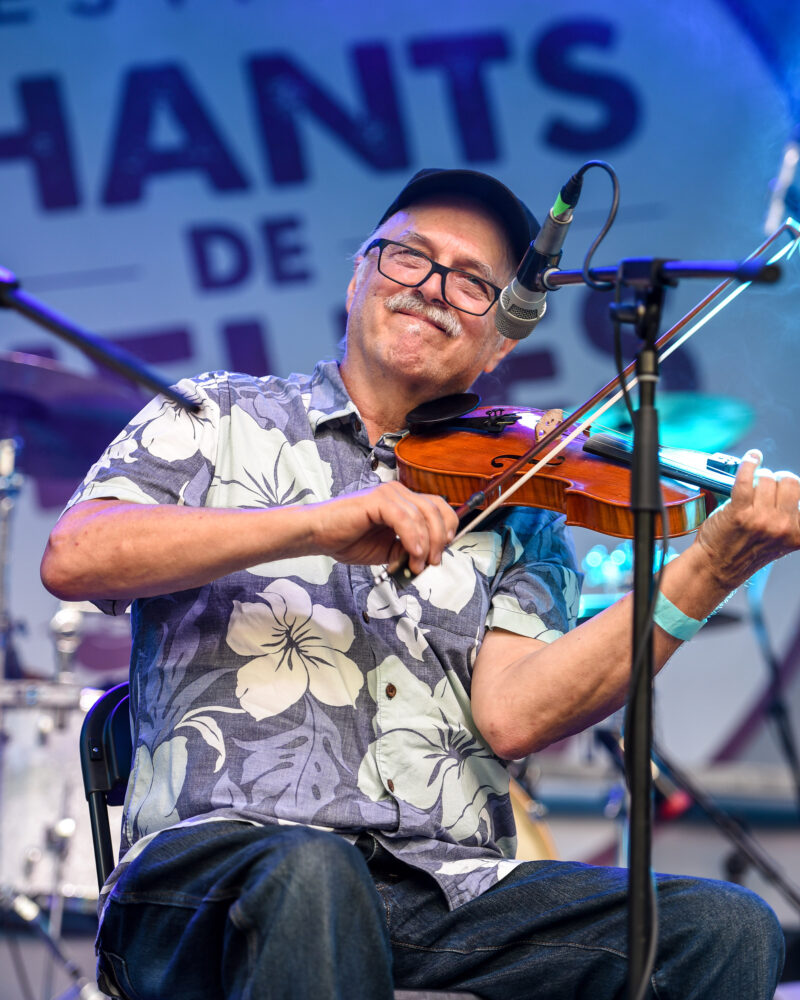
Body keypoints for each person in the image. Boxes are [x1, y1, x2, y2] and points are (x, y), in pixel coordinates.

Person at [41, 168, 796, 999]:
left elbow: (515, 716)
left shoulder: (523, 502)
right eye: (410, 258)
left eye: (475, 283)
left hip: (445, 888)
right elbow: (77, 556)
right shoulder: (215, 415)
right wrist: (312, 522)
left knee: (723, 928)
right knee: (314, 874)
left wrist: (704, 570)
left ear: (504, 339)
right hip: (216, 868)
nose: (435, 288)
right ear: (359, 274)